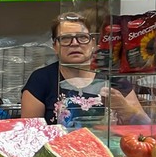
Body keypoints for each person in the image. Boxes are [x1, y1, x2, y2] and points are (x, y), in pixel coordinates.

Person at [21, 12, 149, 127]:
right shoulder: (40, 80)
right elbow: (29, 133)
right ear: (55, 46)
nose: (75, 43)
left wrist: (124, 108)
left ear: (93, 43)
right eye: (66, 38)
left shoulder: (113, 78)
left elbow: (145, 125)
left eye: (82, 37)